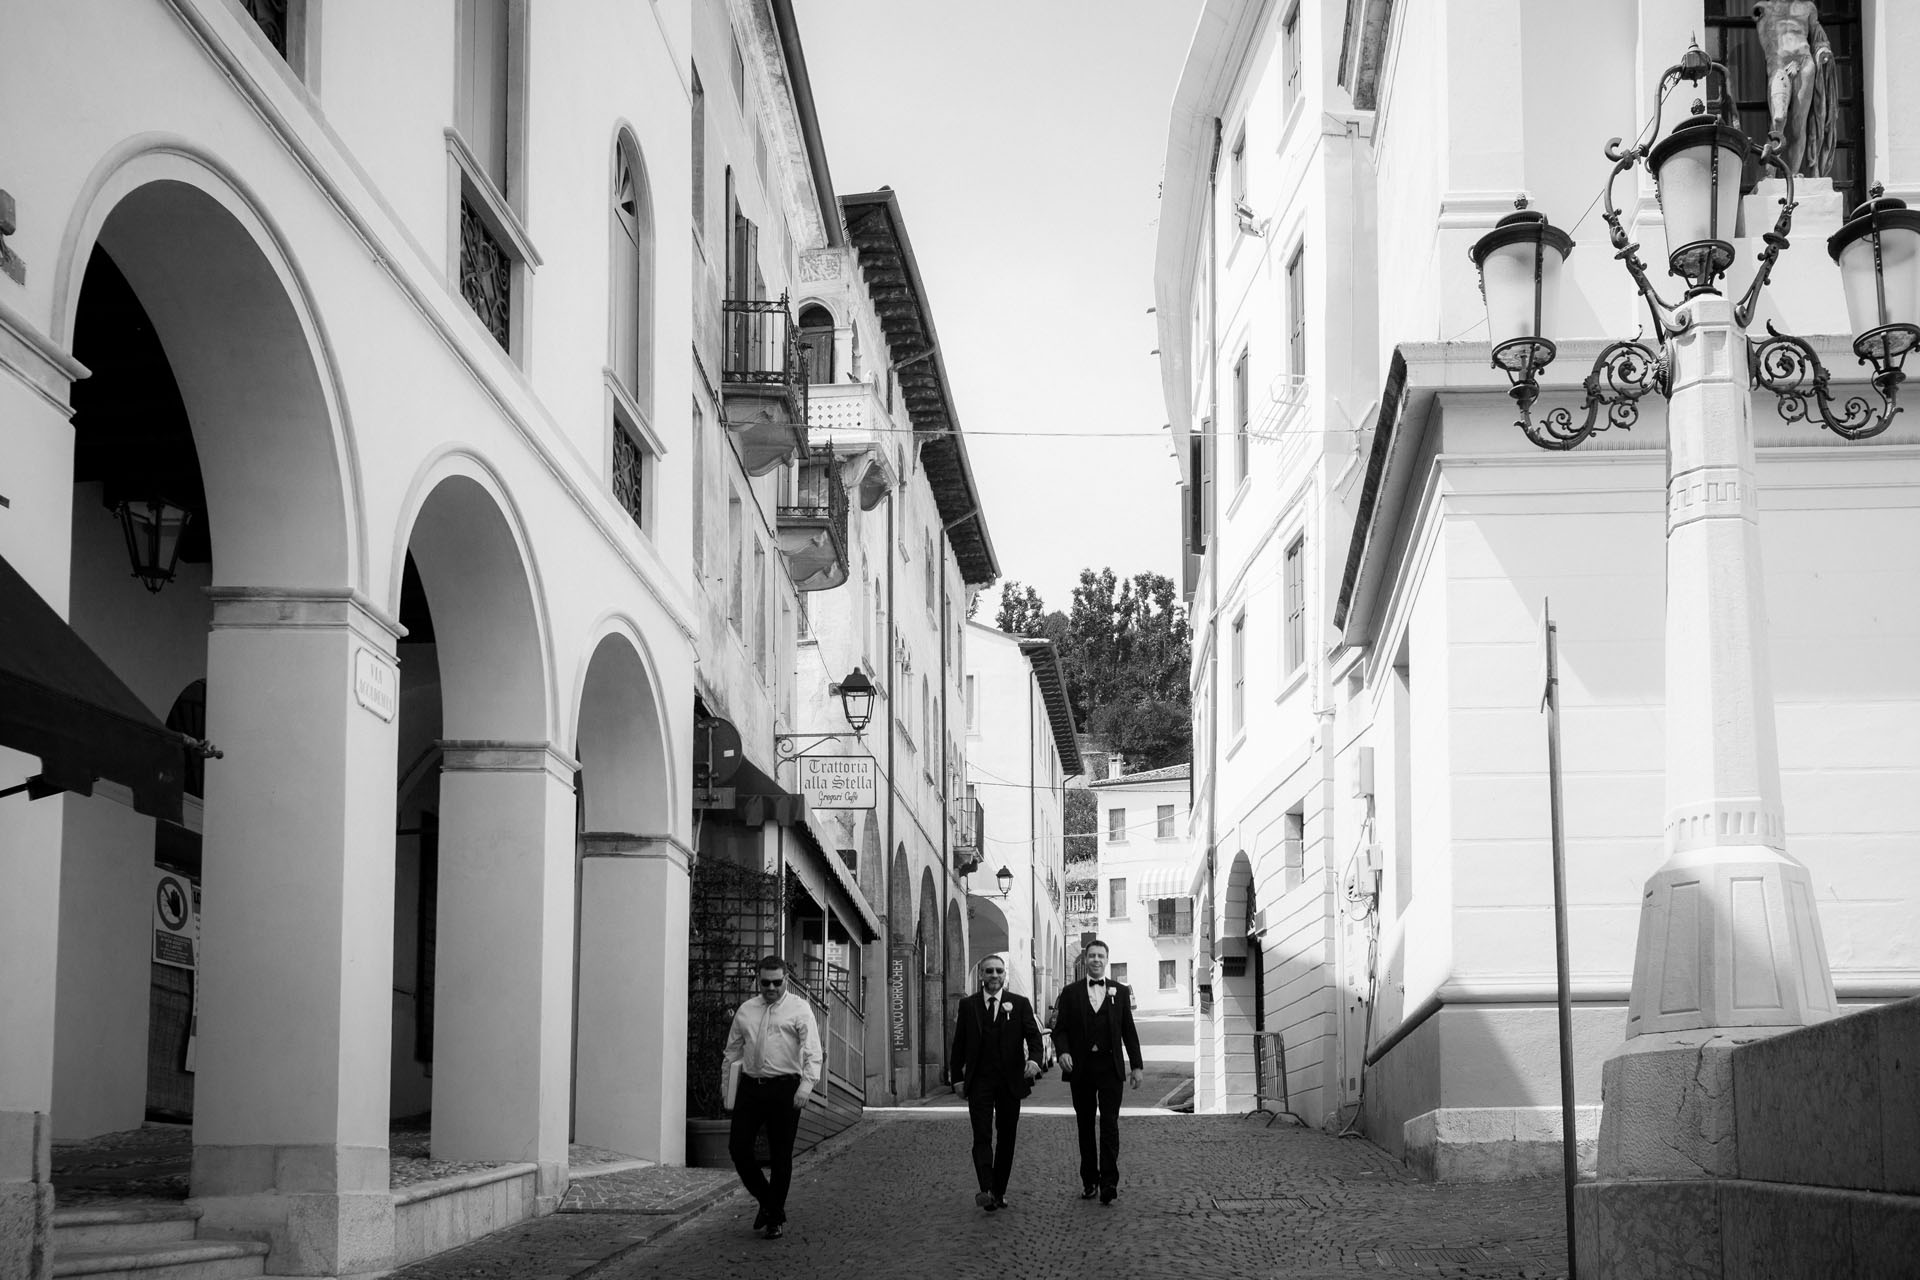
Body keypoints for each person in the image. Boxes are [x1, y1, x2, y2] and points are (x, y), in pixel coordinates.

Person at [720, 955, 821, 1239]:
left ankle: (774, 1218)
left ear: (786, 980)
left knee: (780, 1156)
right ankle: (769, 1203)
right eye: (766, 983)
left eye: (777, 982)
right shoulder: (746, 1011)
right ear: (758, 980)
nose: (771, 988)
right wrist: (727, 1087)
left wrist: (806, 1087)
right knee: (738, 1149)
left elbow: (813, 1050)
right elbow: (732, 1052)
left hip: (785, 1089)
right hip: (752, 1087)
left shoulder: (800, 1009)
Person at [948, 954, 1045, 1211]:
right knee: (981, 1134)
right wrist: (956, 1078)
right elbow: (958, 1045)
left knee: (1007, 1137)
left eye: (999, 971)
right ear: (981, 974)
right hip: (979, 1081)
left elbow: (1035, 1040)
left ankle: (998, 1191)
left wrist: (1035, 1061)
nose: (994, 975)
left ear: (1005, 975)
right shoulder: (968, 1006)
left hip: (1010, 1082)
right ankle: (986, 1187)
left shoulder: (1020, 1004)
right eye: (989, 971)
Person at [1051, 939, 1143, 1204]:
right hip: (1080, 1070)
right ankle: (1089, 1180)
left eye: (1100, 956)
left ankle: (1109, 1183)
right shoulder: (1069, 993)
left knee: (1110, 1124)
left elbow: (1129, 1032)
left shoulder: (1121, 992)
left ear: (1107, 960)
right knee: (1085, 1125)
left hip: (1110, 1069)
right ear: (1085, 959)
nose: (1096, 960)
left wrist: (1136, 1066)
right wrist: (1063, 1052)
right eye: (1091, 956)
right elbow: (1060, 1030)